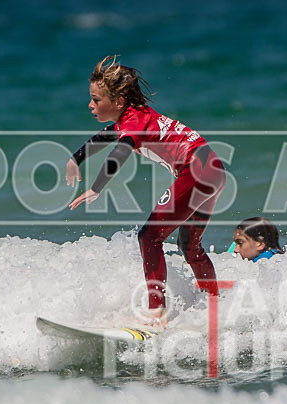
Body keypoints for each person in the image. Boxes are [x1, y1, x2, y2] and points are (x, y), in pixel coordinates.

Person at [66, 55, 226, 328]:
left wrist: (96, 187)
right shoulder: (135, 116)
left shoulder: (133, 124)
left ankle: (156, 313)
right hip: (214, 169)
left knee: (149, 236)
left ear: (118, 102)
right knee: (189, 245)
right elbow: (106, 136)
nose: (90, 105)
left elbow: (121, 151)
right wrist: (75, 159)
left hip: (195, 171)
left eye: (96, 100)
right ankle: (215, 305)